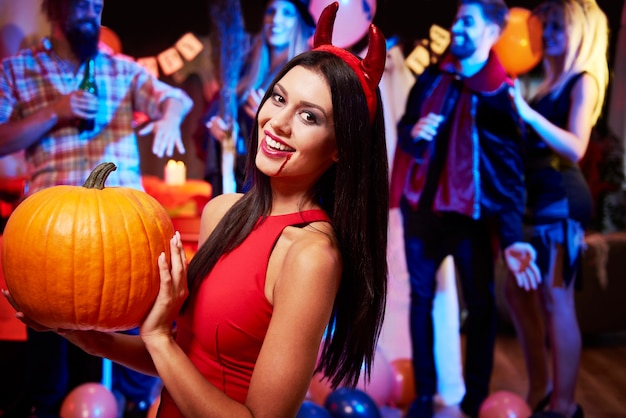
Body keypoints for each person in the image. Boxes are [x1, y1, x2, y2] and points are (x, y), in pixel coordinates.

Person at [3, 2, 389, 416]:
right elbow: (184, 363)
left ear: (339, 149)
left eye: (309, 117)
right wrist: (76, 331)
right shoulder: (223, 213)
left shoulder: (311, 255)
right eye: (278, 98)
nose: (277, 122)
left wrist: (159, 340)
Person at [0, 0, 193, 416]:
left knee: (126, 352)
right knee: (48, 361)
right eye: (80, 3)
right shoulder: (18, 69)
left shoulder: (120, 68)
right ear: (53, 9)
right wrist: (56, 111)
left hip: (120, 234)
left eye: (97, 4)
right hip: (49, 235)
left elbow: (174, 98)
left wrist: (169, 118)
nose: (91, 10)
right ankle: (45, 407)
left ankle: (131, 406)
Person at [389, 0, 541, 416]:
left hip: (473, 220)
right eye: (457, 18)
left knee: (482, 305)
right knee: (421, 300)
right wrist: (412, 133)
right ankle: (423, 395)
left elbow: (511, 173)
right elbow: (405, 130)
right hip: (421, 211)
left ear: (493, 32)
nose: (457, 26)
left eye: (468, 21)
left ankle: (475, 398)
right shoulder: (432, 77)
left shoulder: (498, 91)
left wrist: (511, 237)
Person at [504, 1, 610, 417]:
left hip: (560, 201)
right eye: (545, 27)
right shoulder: (548, 82)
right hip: (534, 202)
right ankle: (539, 391)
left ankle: (565, 407)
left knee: (555, 300)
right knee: (517, 294)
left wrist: (527, 114)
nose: (545, 35)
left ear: (578, 32)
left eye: (556, 28)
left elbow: (576, 146)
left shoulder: (584, 79)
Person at [196, 0, 315, 195]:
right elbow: (212, 122)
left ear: (299, 23)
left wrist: (269, 117)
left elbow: (311, 136)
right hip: (233, 179)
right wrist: (217, 130)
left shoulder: (308, 74)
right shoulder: (243, 70)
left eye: (287, 13)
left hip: (271, 188)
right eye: (270, 11)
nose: (275, 20)